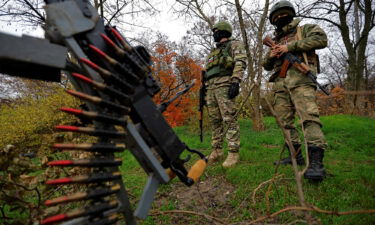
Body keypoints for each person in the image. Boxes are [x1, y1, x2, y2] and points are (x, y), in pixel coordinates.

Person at [263, 0, 328, 180]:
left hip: (301, 80)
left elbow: (321, 39)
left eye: (283, 15)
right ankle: (295, 156)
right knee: (284, 122)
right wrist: (271, 55)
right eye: (276, 17)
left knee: (308, 117)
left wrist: (289, 47)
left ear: (290, 14)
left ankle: (316, 163)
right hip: (280, 84)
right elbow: (265, 65)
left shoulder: (305, 29)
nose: (280, 18)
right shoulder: (274, 40)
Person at [204, 21, 247, 168]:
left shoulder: (235, 44)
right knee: (215, 120)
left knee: (229, 119)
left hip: (225, 85)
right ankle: (217, 150)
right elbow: (208, 72)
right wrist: (204, 89)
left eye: (216, 31)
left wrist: (235, 81)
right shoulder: (213, 52)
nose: (214, 33)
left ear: (223, 31)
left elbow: (240, 62)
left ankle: (233, 152)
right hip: (210, 88)